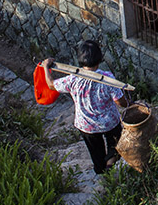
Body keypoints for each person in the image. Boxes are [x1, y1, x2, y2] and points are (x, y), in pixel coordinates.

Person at [42, 40, 129, 174]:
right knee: (116, 144)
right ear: (99, 59)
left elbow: (51, 85)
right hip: (109, 122)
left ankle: (101, 172)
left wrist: (45, 67)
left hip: (86, 125)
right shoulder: (107, 78)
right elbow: (120, 102)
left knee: (96, 153)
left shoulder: (73, 79)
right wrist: (130, 104)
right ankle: (111, 162)